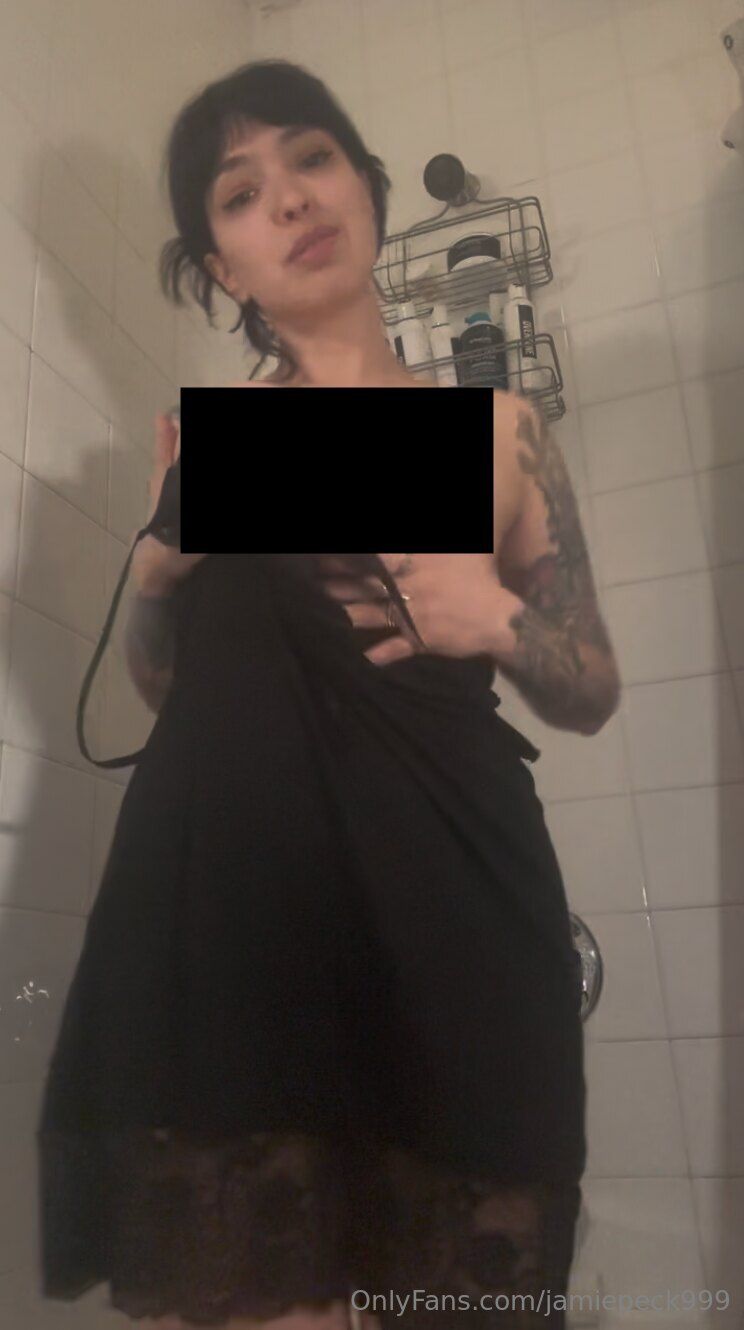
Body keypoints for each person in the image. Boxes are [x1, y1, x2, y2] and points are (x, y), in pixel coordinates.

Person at [36, 59, 621, 1330]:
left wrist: (496, 618)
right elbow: (169, 691)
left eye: (311, 158)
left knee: (457, 1295)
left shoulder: (497, 436)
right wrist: (153, 574)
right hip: (244, 926)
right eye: (240, 193)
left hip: (457, 916)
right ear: (224, 268)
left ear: (366, 185)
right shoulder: (221, 442)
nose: (290, 199)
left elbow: (592, 686)